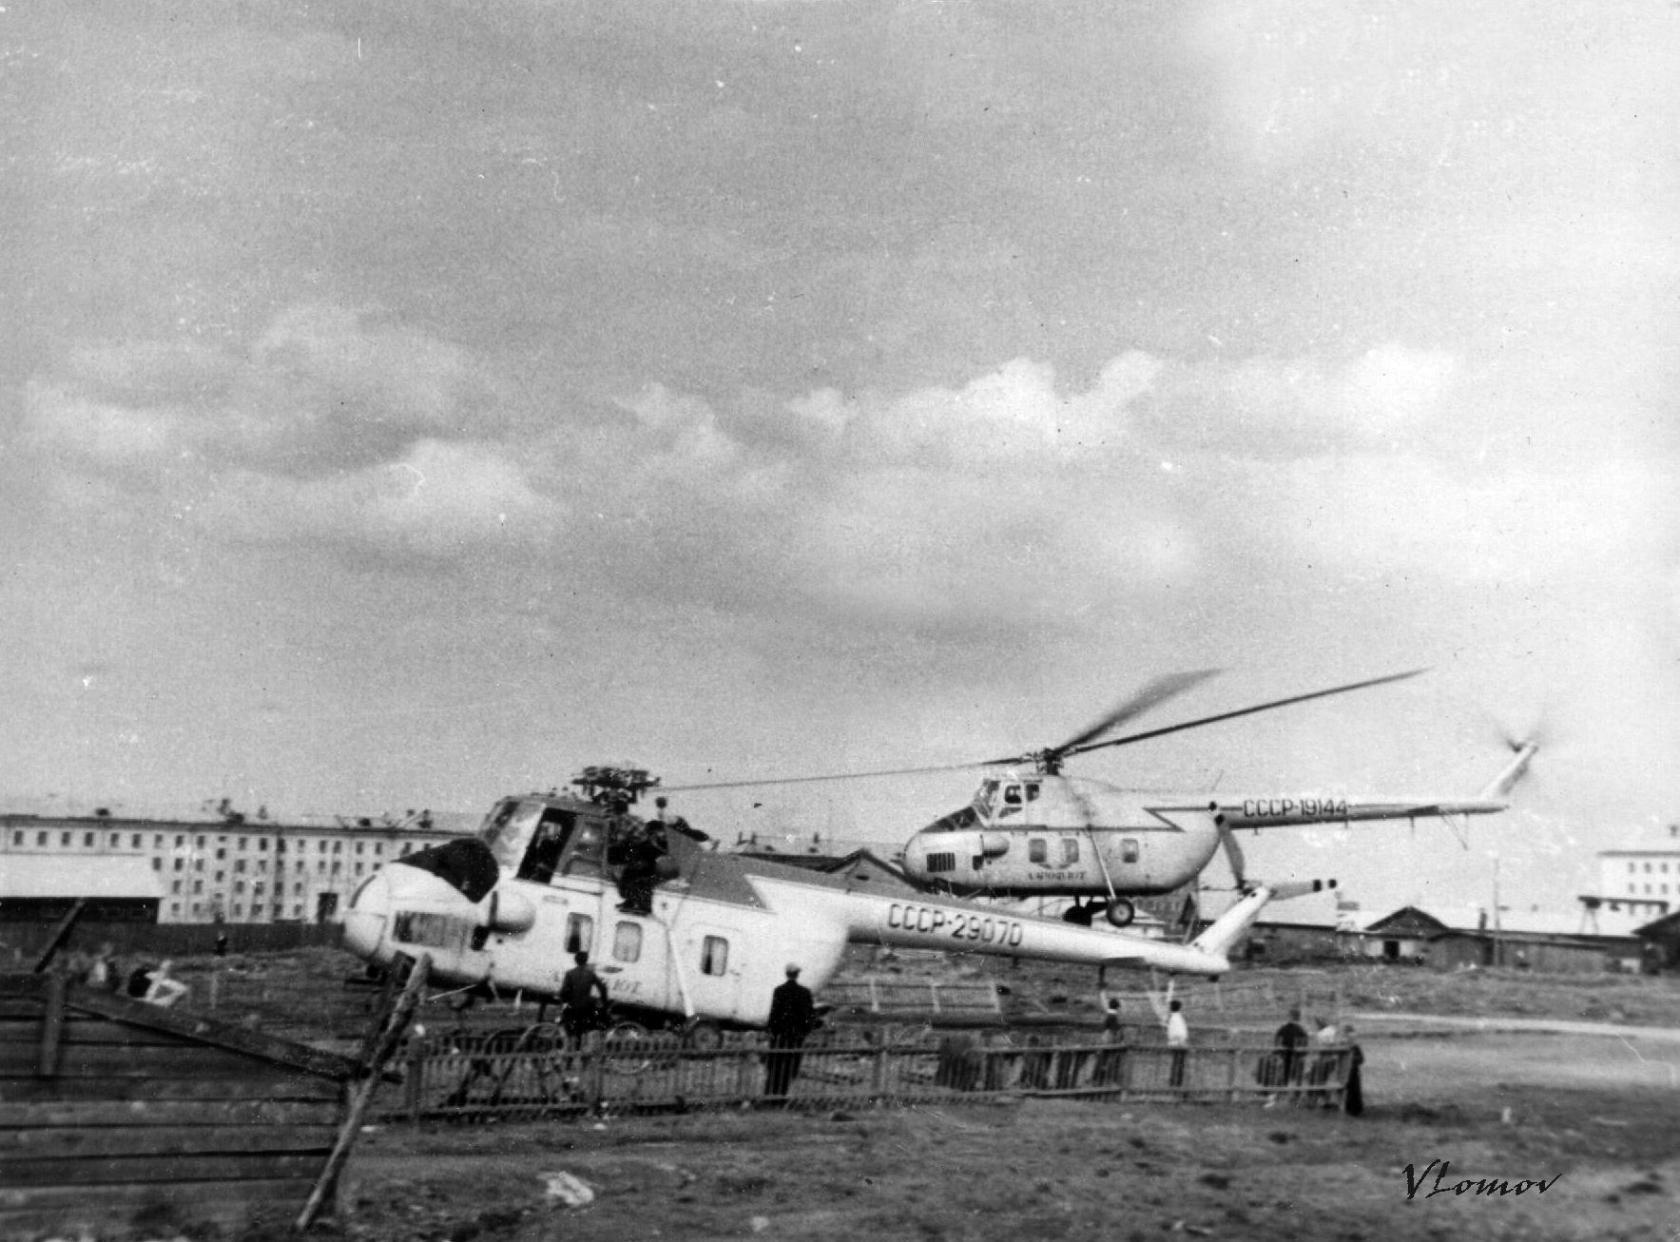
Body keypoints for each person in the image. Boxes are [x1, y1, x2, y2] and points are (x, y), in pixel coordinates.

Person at [764, 963, 817, 1102]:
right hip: (796, 1036)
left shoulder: (779, 991)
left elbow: (774, 1014)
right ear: (797, 974)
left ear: (786, 974)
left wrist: (771, 1030)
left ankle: (770, 1095)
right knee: (789, 1067)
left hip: (779, 1036)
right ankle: (782, 1096)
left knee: (775, 1065)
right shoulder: (805, 992)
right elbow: (809, 1016)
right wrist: (805, 1031)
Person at [558, 951, 610, 1042]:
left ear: (575, 960)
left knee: (569, 1023)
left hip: (573, 1005)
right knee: (593, 1019)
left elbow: (564, 991)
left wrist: (564, 1001)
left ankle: (572, 1039)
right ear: (586, 961)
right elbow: (602, 988)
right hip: (586, 1005)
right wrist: (604, 1001)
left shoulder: (570, 973)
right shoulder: (590, 974)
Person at [1271, 1007, 1310, 1099]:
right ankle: (1295, 1093)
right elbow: (1305, 1041)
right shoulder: (1300, 1029)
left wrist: (1277, 1051)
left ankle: (1282, 1091)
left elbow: (1277, 1039)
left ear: (1290, 1016)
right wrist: (1303, 1052)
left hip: (1286, 1054)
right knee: (1296, 1074)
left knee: (1285, 1073)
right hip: (1296, 1054)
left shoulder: (1285, 1028)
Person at [1094, 997, 1127, 1088]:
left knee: (1102, 1061)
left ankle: (1099, 1080)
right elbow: (1116, 1030)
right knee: (1109, 1062)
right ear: (1117, 1007)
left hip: (1105, 1041)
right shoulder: (1113, 1017)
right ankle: (1105, 1080)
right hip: (1110, 1042)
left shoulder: (1108, 1016)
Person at [1342, 1024, 1365, 1116]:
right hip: (1349, 1071)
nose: (1349, 1039)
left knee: (1354, 1090)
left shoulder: (1354, 1047)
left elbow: (1361, 1059)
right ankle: (1351, 1108)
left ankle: (1354, 1109)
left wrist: (1352, 1060)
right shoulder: (1346, 1046)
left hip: (1352, 1071)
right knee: (1352, 1090)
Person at [1165, 999, 1189, 1089]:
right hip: (1179, 1043)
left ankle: (1175, 1083)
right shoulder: (1177, 1018)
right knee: (1178, 1064)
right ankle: (1176, 1083)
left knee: (1177, 1064)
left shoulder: (1175, 1018)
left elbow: (1179, 1033)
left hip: (1177, 1043)